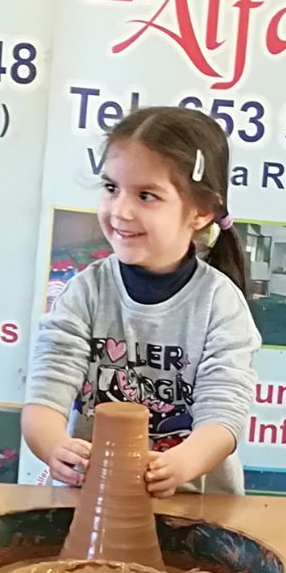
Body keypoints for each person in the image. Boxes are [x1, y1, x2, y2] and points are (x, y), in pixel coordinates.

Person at [22, 107, 261, 497]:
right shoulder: (84, 293)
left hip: (194, 505)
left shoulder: (220, 304)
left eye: (147, 195)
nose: (120, 210)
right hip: (93, 499)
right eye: (111, 187)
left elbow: (224, 417)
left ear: (201, 211)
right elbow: (44, 400)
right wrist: (54, 447)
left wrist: (180, 464)